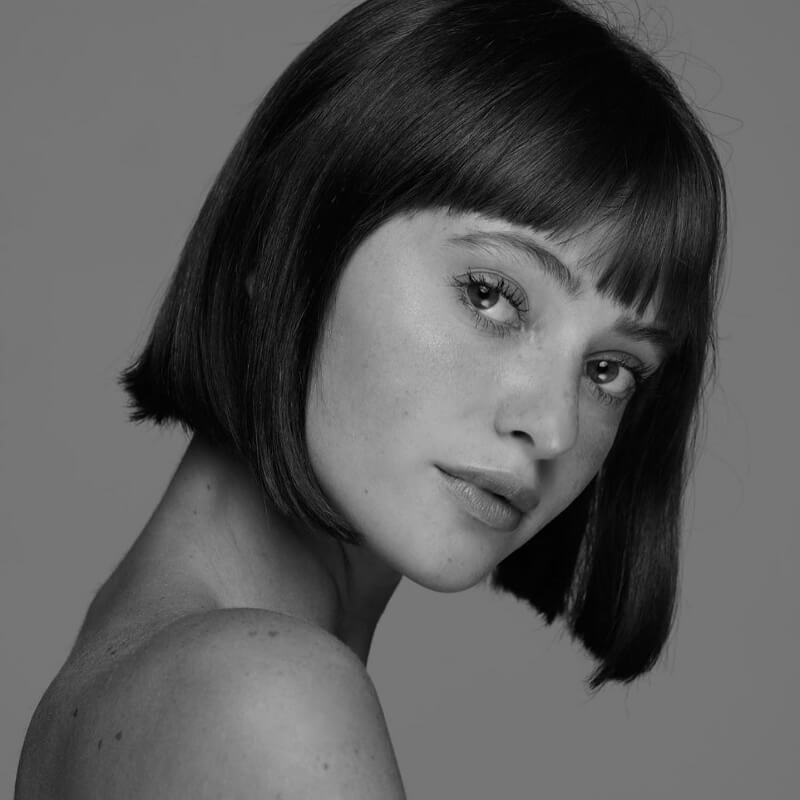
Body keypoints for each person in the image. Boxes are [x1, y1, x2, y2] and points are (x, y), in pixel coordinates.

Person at [15, 0, 727, 797]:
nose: (555, 426)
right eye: (491, 293)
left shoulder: (129, 676)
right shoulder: (263, 698)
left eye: (609, 371)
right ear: (281, 242)